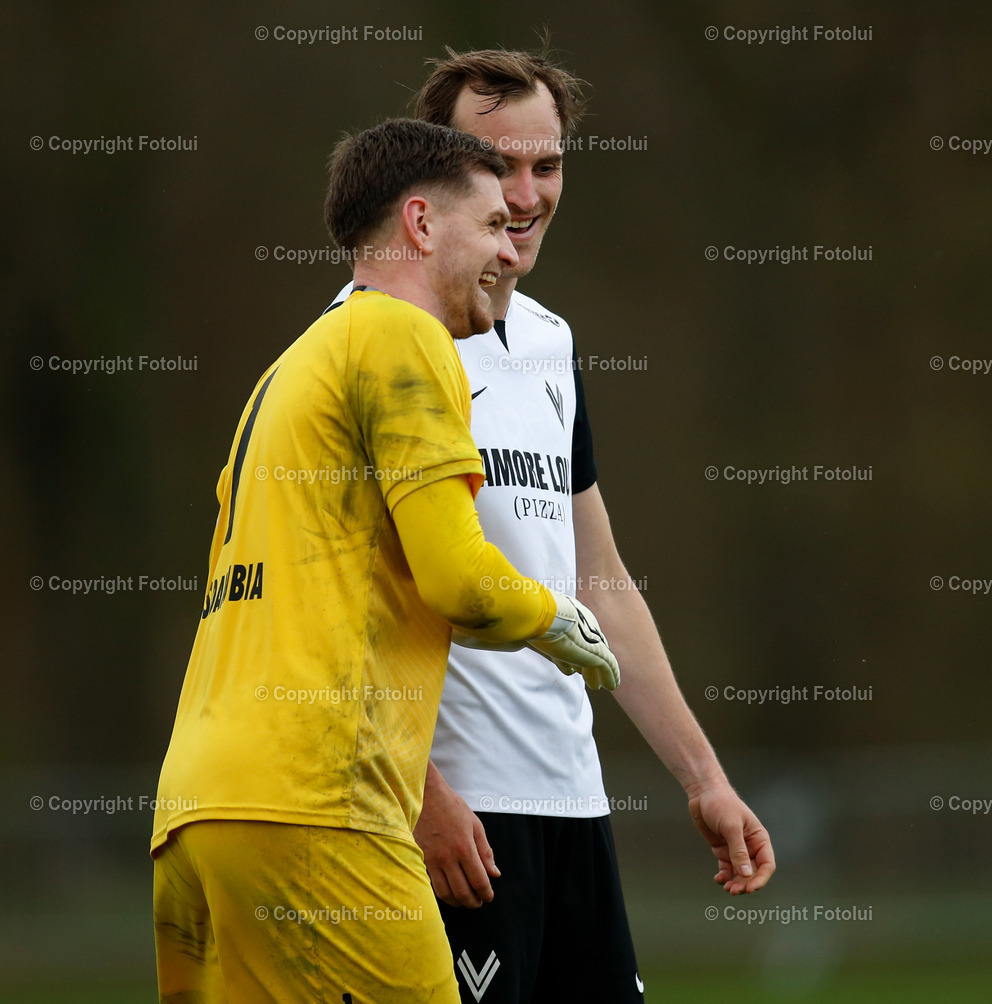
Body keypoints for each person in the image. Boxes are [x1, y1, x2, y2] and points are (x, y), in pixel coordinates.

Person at [330, 49, 776, 1002]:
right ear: (435, 179)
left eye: (549, 164)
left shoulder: (550, 341)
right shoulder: (371, 337)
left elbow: (598, 580)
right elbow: (325, 606)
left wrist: (703, 777)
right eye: (500, 167)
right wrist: (421, 794)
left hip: (573, 805)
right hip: (453, 825)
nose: (526, 196)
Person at [150, 118, 620, 1004]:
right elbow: (461, 582)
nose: (511, 253)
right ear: (421, 223)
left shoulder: (288, 371)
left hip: (196, 813)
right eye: (492, 225)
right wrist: (556, 619)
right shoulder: (405, 338)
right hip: (315, 807)